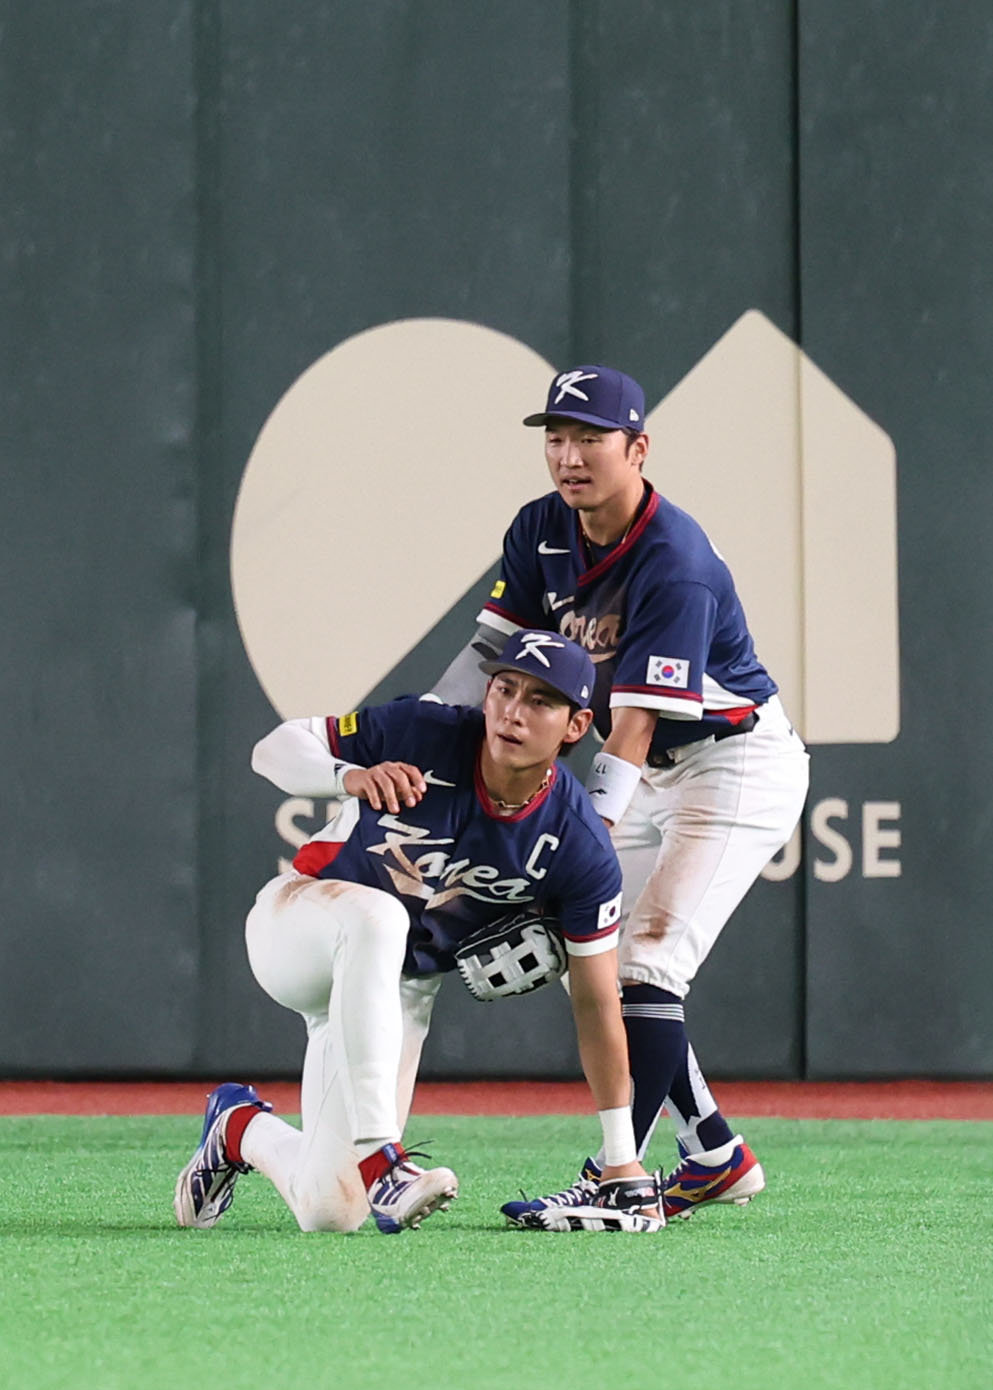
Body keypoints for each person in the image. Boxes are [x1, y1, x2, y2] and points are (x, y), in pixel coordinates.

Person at [430, 364, 810, 1224]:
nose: (568, 457)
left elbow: (630, 728)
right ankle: (710, 1150)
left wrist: (580, 844)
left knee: (641, 968)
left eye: (590, 439)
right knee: (595, 956)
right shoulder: (540, 528)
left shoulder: (674, 561)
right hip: (653, 769)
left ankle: (620, 1177)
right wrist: (419, 734)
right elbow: (491, 660)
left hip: (732, 766)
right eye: (555, 438)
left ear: (637, 448)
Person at [174, 628, 659, 1236]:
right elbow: (271, 749)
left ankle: (237, 1127)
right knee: (381, 917)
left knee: (330, 1212)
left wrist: (621, 1156)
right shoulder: (424, 731)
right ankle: (385, 1163)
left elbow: (595, 1001)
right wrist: (346, 776)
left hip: (397, 994)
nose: (512, 711)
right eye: (504, 688)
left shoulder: (577, 842)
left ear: (576, 724)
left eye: (540, 700)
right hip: (301, 924)